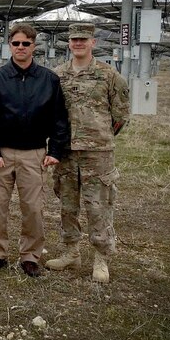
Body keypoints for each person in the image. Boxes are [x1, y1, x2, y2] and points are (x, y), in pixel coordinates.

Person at [0, 23, 69, 277]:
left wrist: (55, 150)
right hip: (3, 154)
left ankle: (30, 255)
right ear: (9, 45)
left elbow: (59, 118)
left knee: (32, 207)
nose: (21, 48)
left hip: (35, 154)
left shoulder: (49, 79)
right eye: (16, 43)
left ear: (34, 46)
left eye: (26, 44)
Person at [46, 23, 130, 283]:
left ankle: (101, 258)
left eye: (83, 39)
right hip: (66, 152)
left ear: (93, 42)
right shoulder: (57, 75)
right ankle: (71, 252)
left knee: (99, 207)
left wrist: (97, 136)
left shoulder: (109, 75)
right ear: (69, 44)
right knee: (67, 206)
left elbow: (120, 115)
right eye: (74, 40)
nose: (78, 43)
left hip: (98, 153)